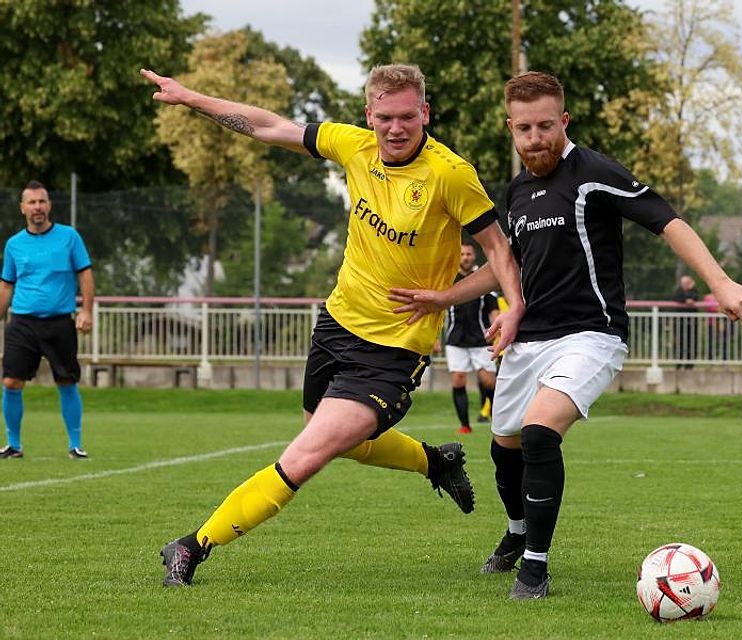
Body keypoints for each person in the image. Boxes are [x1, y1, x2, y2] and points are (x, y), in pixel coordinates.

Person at [140, 63, 524, 587]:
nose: (395, 128)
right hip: (337, 324)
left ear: (424, 113)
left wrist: (459, 298)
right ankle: (435, 463)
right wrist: (190, 98)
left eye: (407, 116)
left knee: (304, 458)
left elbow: (500, 253)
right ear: (369, 115)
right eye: (384, 117)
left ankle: (191, 546)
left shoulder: (450, 174)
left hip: (393, 350)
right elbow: (269, 125)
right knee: (326, 439)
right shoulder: (353, 145)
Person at [390, 71, 742, 600]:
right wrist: (444, 297)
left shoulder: (593, 173)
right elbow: (505, 266)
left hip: (591, 334)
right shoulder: (516, 192)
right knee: (505, 449)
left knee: (541, 434)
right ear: (511, 129)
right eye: (524, 129)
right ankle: (518, 533)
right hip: (528, 339)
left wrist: (720, 283)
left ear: (563, 121)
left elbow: (666, 220)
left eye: (545, 126)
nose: (535, 138)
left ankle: (535, 569)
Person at [0, 181, 95, 460]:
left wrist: (86, 311)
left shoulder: (69, 237)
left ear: (49, 205)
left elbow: (85, 274)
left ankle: (75, 445)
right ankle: (13, 444)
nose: (37, 207)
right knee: (11, 382)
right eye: (31, 202)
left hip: (59, 322)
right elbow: (6, 285)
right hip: (22, 323)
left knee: (67, 381)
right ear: (22, 208)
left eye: (42, 201)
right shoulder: (14, 244)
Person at [445, 241, 499, 434]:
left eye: (468, 254)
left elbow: (494, 309)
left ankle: (498, 418)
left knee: (489, 382)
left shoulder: (483, 279)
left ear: (474, 256)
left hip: (480, 340)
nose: (465, 257)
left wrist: (498, 331)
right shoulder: (448, 279)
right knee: (458, 379)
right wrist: (435, 338)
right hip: (455, 340)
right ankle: (465, 425)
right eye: (462, 254)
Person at [672, 274, 699, 368]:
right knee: (679, 343)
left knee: (691, 342)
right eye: (683, 283)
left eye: (687, 283)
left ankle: (689, 364)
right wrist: (685, 300)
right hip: (680, 323)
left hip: (691, 323)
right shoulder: (678, 291)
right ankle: (678, 364)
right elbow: (676, 297)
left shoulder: (694, 290)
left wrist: (691, 289)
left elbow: (696, 297)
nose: (685, 285)